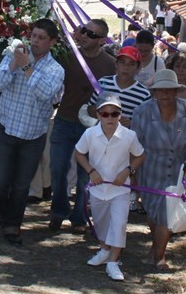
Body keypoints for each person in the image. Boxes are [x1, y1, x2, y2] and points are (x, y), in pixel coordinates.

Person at [0, 18, 64, 246]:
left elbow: (46, 93)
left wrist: (27, 66)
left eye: (41, 38)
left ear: (52, 42)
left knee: (21, 186)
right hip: (6, 129)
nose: (35, 41)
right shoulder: (13, 54)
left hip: (33, 135)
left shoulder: (55, 69)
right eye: (34, 36)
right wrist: (13, 64)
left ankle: (12, 226)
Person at [132, 69, 186, 271]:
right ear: (154, 93)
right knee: (154, 213)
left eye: (169, 90)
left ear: (176, 91)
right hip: (150, 167)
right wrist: (132, 173)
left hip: (178, 170)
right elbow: (134, 144)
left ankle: (159, 257)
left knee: (167, 213)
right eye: (160, 91)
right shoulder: (142, 112)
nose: (164, 94)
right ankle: (155, 250)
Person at [49, 19, 115, 234]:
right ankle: (59, 210)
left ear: (102, 40)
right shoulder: (69, 56)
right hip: (65, 121)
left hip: (92, 128)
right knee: (58, 169)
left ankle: (79, 217)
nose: (86, 36)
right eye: (84, 31)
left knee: (85, 176)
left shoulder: (110, 64)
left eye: (92, 34)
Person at [74, 94, 145, 282]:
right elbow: (79, 153)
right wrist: (91, 171)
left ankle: (113, 262)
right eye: (105, 114)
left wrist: (128, 171)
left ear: (120, 115)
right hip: (98, 190)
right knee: (101, 223)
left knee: (119, 223)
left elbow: (140, 155)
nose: (110, 118)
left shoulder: (129, 136)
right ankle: (104, 250)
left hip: (120, 190)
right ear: (98, 115)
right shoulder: (90, 134)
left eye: (115, 113)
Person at [88, 46, 151, 127]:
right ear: (116, 64)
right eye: (122, 62)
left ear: (138, 68)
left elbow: (147, 123)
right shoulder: (103, 83)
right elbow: (89, 109)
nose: (126, 68)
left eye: (131, 64)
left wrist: (132, 123)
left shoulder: (144, 94)